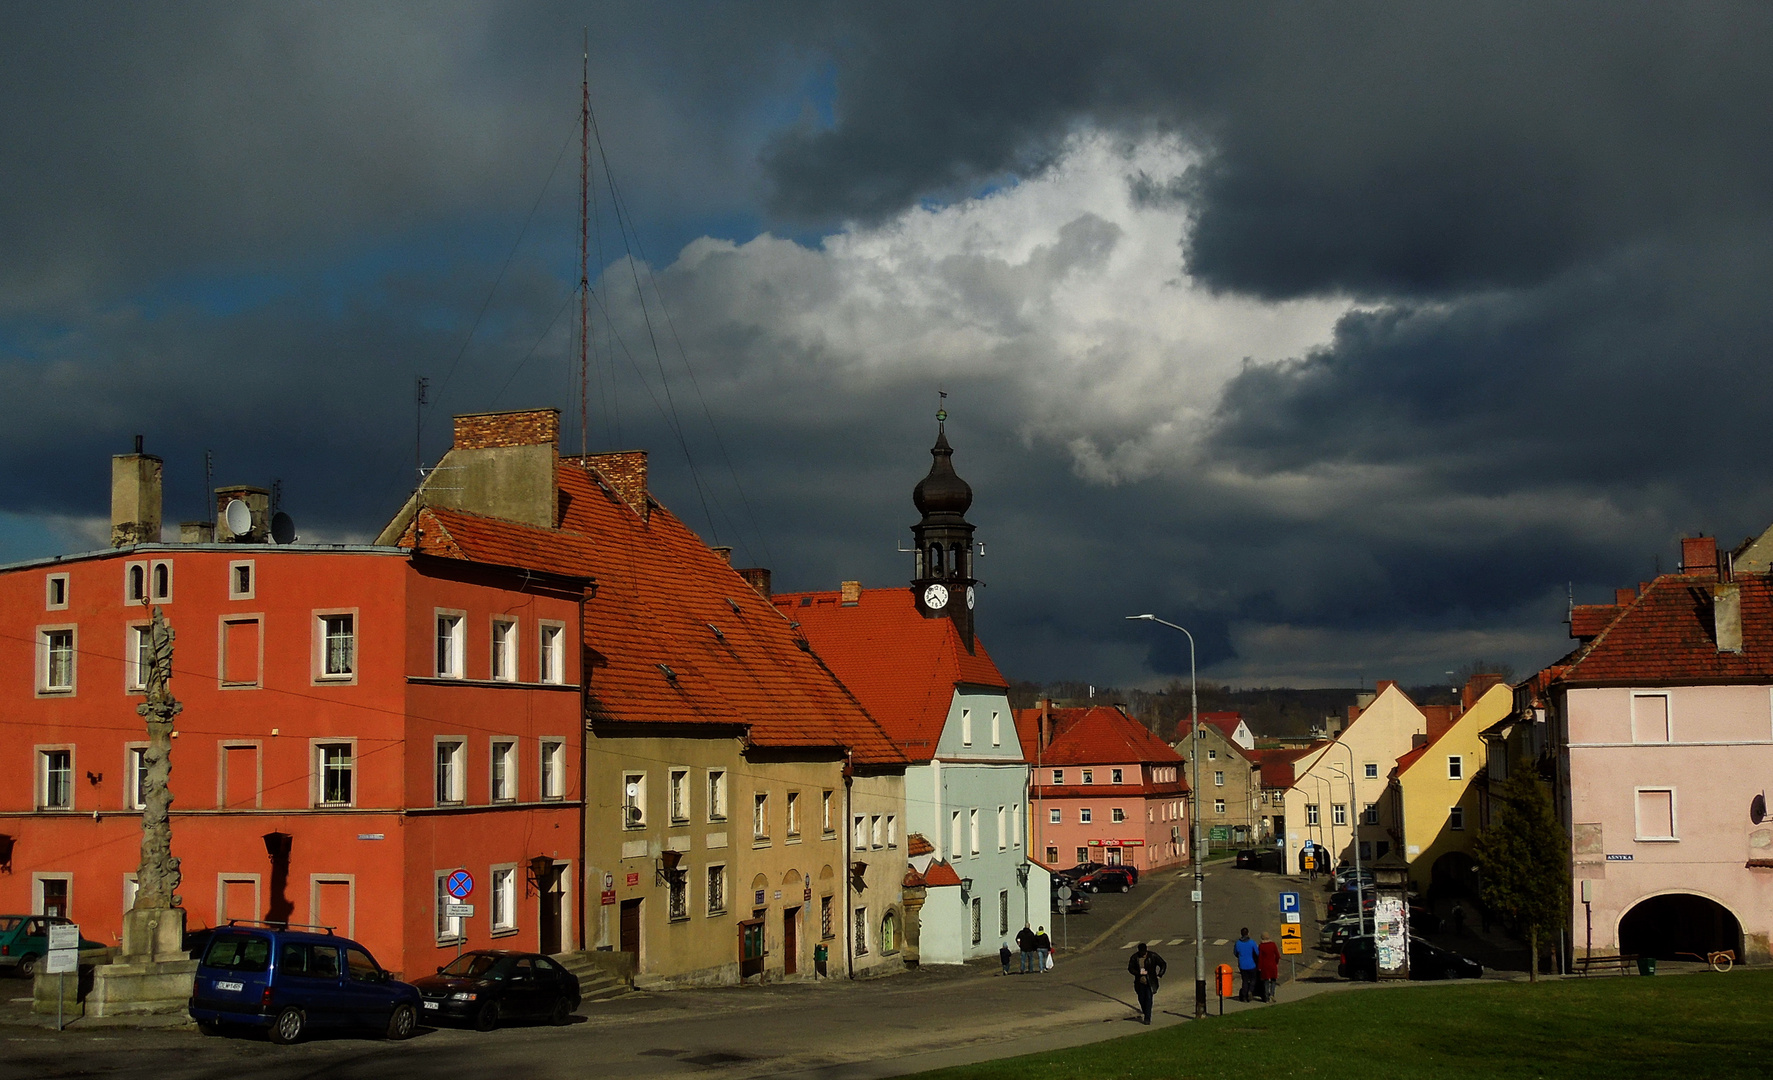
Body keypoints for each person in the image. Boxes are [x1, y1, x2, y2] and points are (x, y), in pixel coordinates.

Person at [1127, 942, 1167, 1024]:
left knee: (1149, 998)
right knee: (1141, 998)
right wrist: (1138, 973)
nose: (1143, 955)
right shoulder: (1135, 957)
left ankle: (1147, 1017)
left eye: (1144, 953)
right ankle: (1145, 1012)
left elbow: (1163, 964)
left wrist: (1160, 974)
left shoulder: (1152, 956)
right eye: (1142, 953)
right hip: (1140, 982)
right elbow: (1130, 968)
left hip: (1150, 981)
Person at [1233, 927, 1260, 1002]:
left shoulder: (1238, 943)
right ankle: (1250, 990)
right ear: (1248, 933)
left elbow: (1235, 953)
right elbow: (1257, 953)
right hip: (1251, 964)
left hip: (1242, 965)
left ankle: (1244, 996)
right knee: (1253, 979)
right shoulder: (1252, 942)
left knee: (1244, 980)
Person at [1257, 932, 1280, 1003]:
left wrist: (1259, 967)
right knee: (1273, 980)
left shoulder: (1261, 946)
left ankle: (1267, 998)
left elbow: (1260, 958)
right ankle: (1272, 994)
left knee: (1266, 982)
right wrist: (1276, 962)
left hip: (1265, 966)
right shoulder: (1273, 944)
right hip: (1272, 965)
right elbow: (1277, 955)